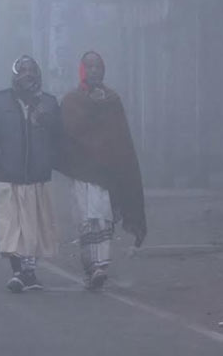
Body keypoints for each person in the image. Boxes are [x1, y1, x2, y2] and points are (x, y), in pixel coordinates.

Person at [58, 51, 147, 290]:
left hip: (106, 173)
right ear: (82, 70)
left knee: (103, 218)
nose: (94, 70)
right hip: (82, 171)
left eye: (98, 66)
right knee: (87, 220)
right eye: (89, 66)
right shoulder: (71, 102)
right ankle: (90, 267)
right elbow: (67, 134)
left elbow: (120, 138)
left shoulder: (112, 100)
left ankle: (101, 266)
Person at [0, 55, 61, 293]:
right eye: (22, 70)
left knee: (34, 226)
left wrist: (49, 159)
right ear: (14, 75)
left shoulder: (49, 103)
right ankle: (18, 271)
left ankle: (30, 272)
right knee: (12, 226)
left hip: (38, 177)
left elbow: (59, 136)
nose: (27, 74)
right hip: (8, 175)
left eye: (31, 70)